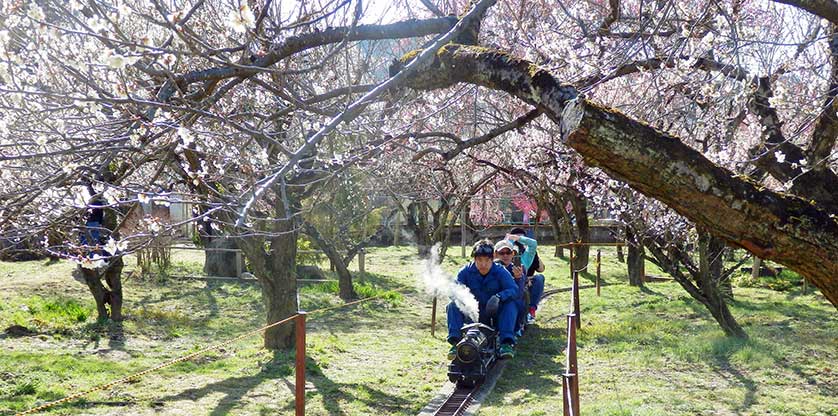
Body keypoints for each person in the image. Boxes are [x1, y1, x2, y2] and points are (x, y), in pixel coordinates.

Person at [447, 239, 520, 360]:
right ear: (474, 259)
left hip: (495, 313)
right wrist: (461, 298)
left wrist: (499, 297)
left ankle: (506, 343)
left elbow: (513, 289)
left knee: (510, 305)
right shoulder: (464, 272)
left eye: (487, 260)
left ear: (492, 259)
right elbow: (453, 290)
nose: (483, 264)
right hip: (472, 313)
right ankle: (456, 343)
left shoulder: (500, 271)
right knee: (452, 305)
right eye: (479, 260)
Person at [508, 227, 546, 323]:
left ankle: (531, 310)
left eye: (522, 237)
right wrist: (510, 240)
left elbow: (533, 244)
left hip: (523, 282)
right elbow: (502, 248)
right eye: (516, 236)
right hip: (508, 282)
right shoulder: (506, 253)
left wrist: (518, 238)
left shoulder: (527, 255)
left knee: (539, 278)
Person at [493, 239, 527, 337]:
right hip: (493, 300)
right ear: (496, 254)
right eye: (501, 253)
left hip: (511, 301)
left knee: (518, 301)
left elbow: (519, 293)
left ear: (513, 254)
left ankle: (517, 326)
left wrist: (518, 278)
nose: (505, 256)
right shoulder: (491, 268)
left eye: (508, 252)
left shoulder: (519, 268)